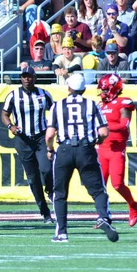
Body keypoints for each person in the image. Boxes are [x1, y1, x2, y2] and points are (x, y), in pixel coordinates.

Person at [45, 73, 118, 243]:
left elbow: (49, 135)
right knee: (98, 190)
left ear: (68, 87)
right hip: (86, 149)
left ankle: (61, 232)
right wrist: (95, 142)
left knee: (60, 193)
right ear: (84, 89)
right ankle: (103, 217)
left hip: (64, 149)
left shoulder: (57, 106)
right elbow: (104, 132)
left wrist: (50, 150)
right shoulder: (91, 105)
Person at [2, 66, 54, 223]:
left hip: (41, 137)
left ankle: (50, 189)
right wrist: (10, 126)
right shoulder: (13, 95)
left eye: (29, 76)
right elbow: (4, 113)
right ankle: (44, 211)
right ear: (21, 78)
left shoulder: (44, 94)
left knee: (46, 168)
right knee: (32, 178)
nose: (26, 79)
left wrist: (53, 128)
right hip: (23, 140)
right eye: (24, 76)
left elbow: (55, 111)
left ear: (35, 78)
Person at [97, 74, 137, 227]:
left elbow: (124, 125)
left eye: (105, 90)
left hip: (116, 150)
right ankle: (103, 216)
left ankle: (133, 205)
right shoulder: (100, 105)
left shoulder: (123, 102)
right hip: (101, 149)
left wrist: (104, 128)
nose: (102, 93)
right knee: (99, 186)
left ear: (114, 88)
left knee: (117, 184)